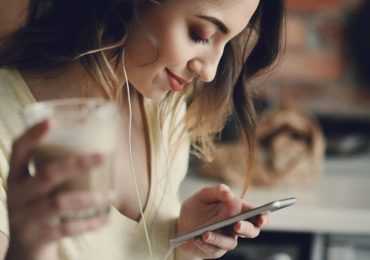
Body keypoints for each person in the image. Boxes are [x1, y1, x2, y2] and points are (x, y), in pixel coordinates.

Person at [0, 0, 285, 259]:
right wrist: (28, 249)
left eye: (228, 42)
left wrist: (179, 240)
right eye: (201, 34)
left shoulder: (166, 114)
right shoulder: (6, 119)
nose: (209, 72)